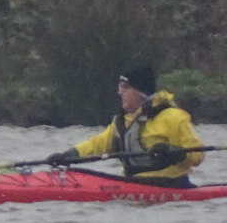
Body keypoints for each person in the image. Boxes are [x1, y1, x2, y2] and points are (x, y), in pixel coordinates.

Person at [45, 65, 205, 185]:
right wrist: (68, 155)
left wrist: (174, 152)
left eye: (125, 88)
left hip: (171, 186)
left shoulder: (173, 117)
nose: (119, 92)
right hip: (133, 183)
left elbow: (198, 155)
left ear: (141, 92)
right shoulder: (123, 121)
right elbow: (97, 144)